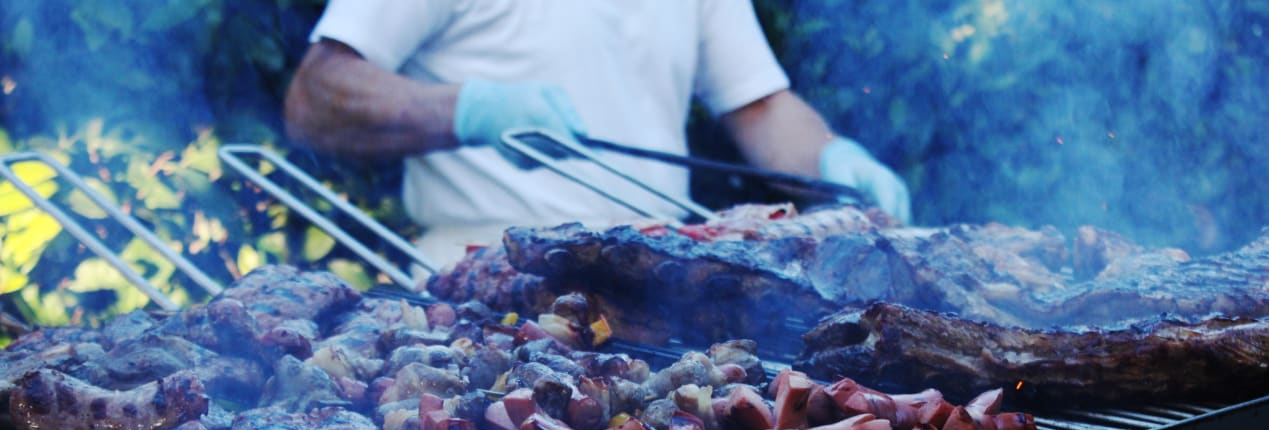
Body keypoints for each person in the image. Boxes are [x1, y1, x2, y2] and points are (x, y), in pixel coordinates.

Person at [285, 0, 911, 269]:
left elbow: (759, 107)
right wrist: (468, 110)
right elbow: (317, 95)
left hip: (662, 281)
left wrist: (831, 158)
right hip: (486, 273)